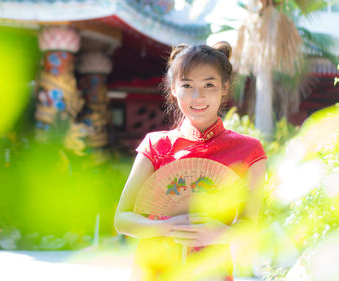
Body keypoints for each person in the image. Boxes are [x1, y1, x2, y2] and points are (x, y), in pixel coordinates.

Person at [114, 42, 267, 281]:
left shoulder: (249, 151)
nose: (198, 96)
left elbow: (249, 227)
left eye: (209, 84)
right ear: (174, 88)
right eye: (187, 85)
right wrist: (168, 226)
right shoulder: (155, 145)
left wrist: (217, 233)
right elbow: (122, 220)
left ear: (225, 88)